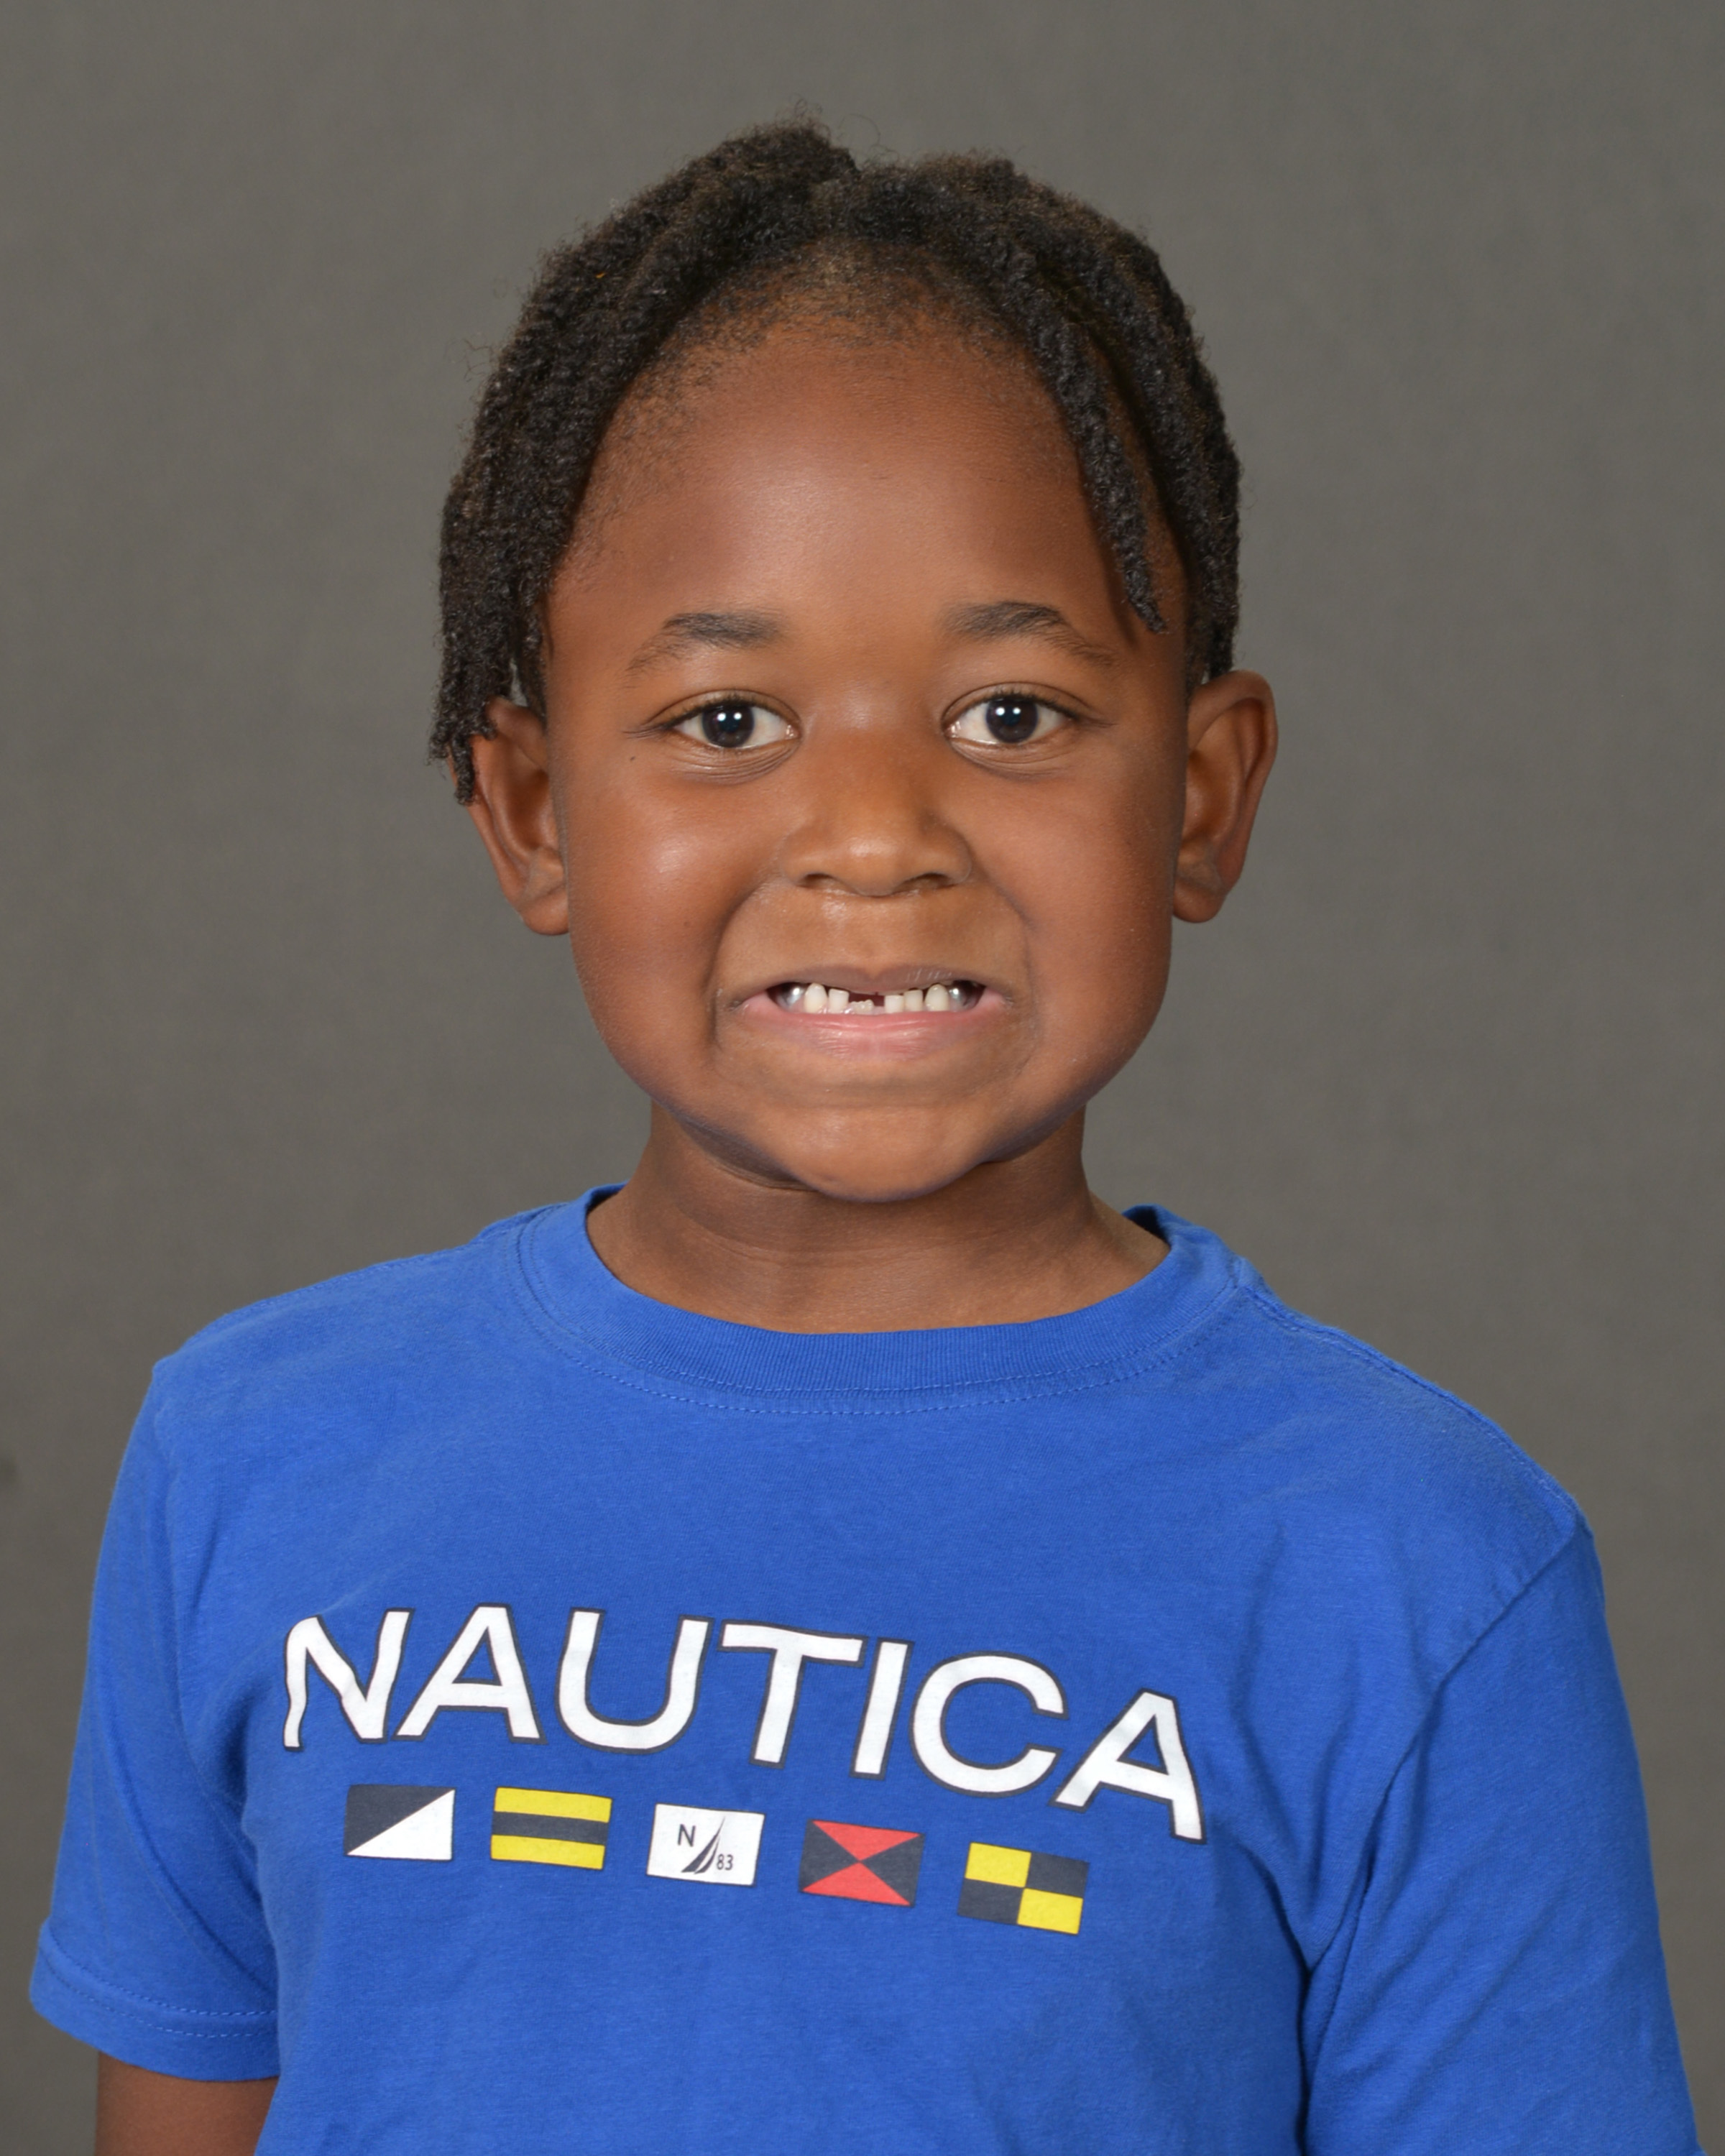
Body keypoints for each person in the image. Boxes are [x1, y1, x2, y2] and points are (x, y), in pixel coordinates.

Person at [33, 124, 1700, 2156]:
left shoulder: (1414, 1571)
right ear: (534, 810)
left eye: (1012, 716)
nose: (876, 840)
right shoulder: (256, 1457)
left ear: (1202, 794)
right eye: (727, 723)